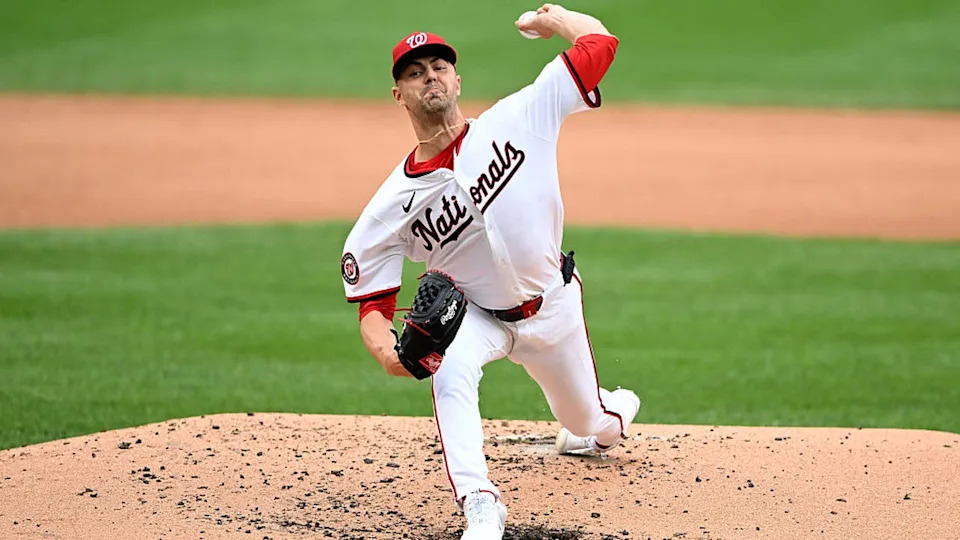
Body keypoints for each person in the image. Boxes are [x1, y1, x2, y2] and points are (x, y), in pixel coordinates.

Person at [340, 5, 641, 539]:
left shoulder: (519, 117)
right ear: (399, 94)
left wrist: (557, 18)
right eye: (414, 72)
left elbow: (599, 46)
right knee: (449, 365)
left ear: (457, 78)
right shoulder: (390, 206)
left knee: (595, 427)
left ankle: (598, 419)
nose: (428, 76)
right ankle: (480, 503)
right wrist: (390, 355)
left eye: (438, 66)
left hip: (553, 306)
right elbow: (374, 305)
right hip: (479, 318)